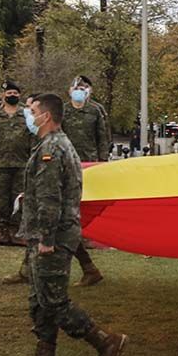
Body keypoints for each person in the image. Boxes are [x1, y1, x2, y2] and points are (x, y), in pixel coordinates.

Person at [9, 93, 127, 356]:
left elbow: (51, 199)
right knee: (39, 300)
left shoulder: (52, 149)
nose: (28, 114)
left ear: (45, 116)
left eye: (32, 110)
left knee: (54, 301)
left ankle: (105, 341)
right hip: (48, 234)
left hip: (54, 236)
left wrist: (47, 239)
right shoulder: (51, 145)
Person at [61, 76, 109, 287]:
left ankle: (87, 236)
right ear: (69, 90)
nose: (79, 91)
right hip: (67, 164)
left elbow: (102, 137)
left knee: (81, 205)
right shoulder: (62, 111)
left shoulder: (95, 111)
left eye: (82, 88)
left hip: (89, 164)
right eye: (76, 88)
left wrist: (102, 162)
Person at [0, 81, 32, 245]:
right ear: (2, 95)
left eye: (15, 93)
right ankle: (2, 230)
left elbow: (34, 138)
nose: (12, 96)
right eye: (9, 93)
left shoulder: (27, 114)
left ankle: (16, 230)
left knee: (20, 199)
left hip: (22, 164)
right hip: (0, 164)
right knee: (1, 199)